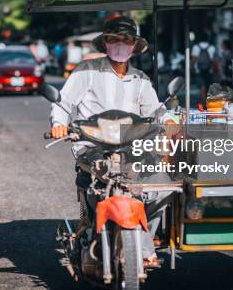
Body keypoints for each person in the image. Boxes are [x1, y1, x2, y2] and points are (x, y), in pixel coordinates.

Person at [50, 16, 169, 267]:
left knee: (163, 184)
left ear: (134, 46)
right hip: (93, 146)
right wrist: (58, 124)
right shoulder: (87, 71)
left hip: (131, 148)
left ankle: (144, 241)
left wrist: (168, 121)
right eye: (114, 39)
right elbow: (63, 103)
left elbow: (156, 110)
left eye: (125, 40)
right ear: (105, 43)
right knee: (101, 183)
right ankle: (97, 229)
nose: (120, 44)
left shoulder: (140, 79)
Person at [191, 32, 217, 101]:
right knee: (208, 87)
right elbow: (214, 60)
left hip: (198, 70)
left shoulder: (196, 47)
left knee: (202, 87)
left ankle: (203, 103)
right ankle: (208, 102)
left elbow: (193, 60)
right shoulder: (212, 47)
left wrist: (192, 68)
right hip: (209, 70)